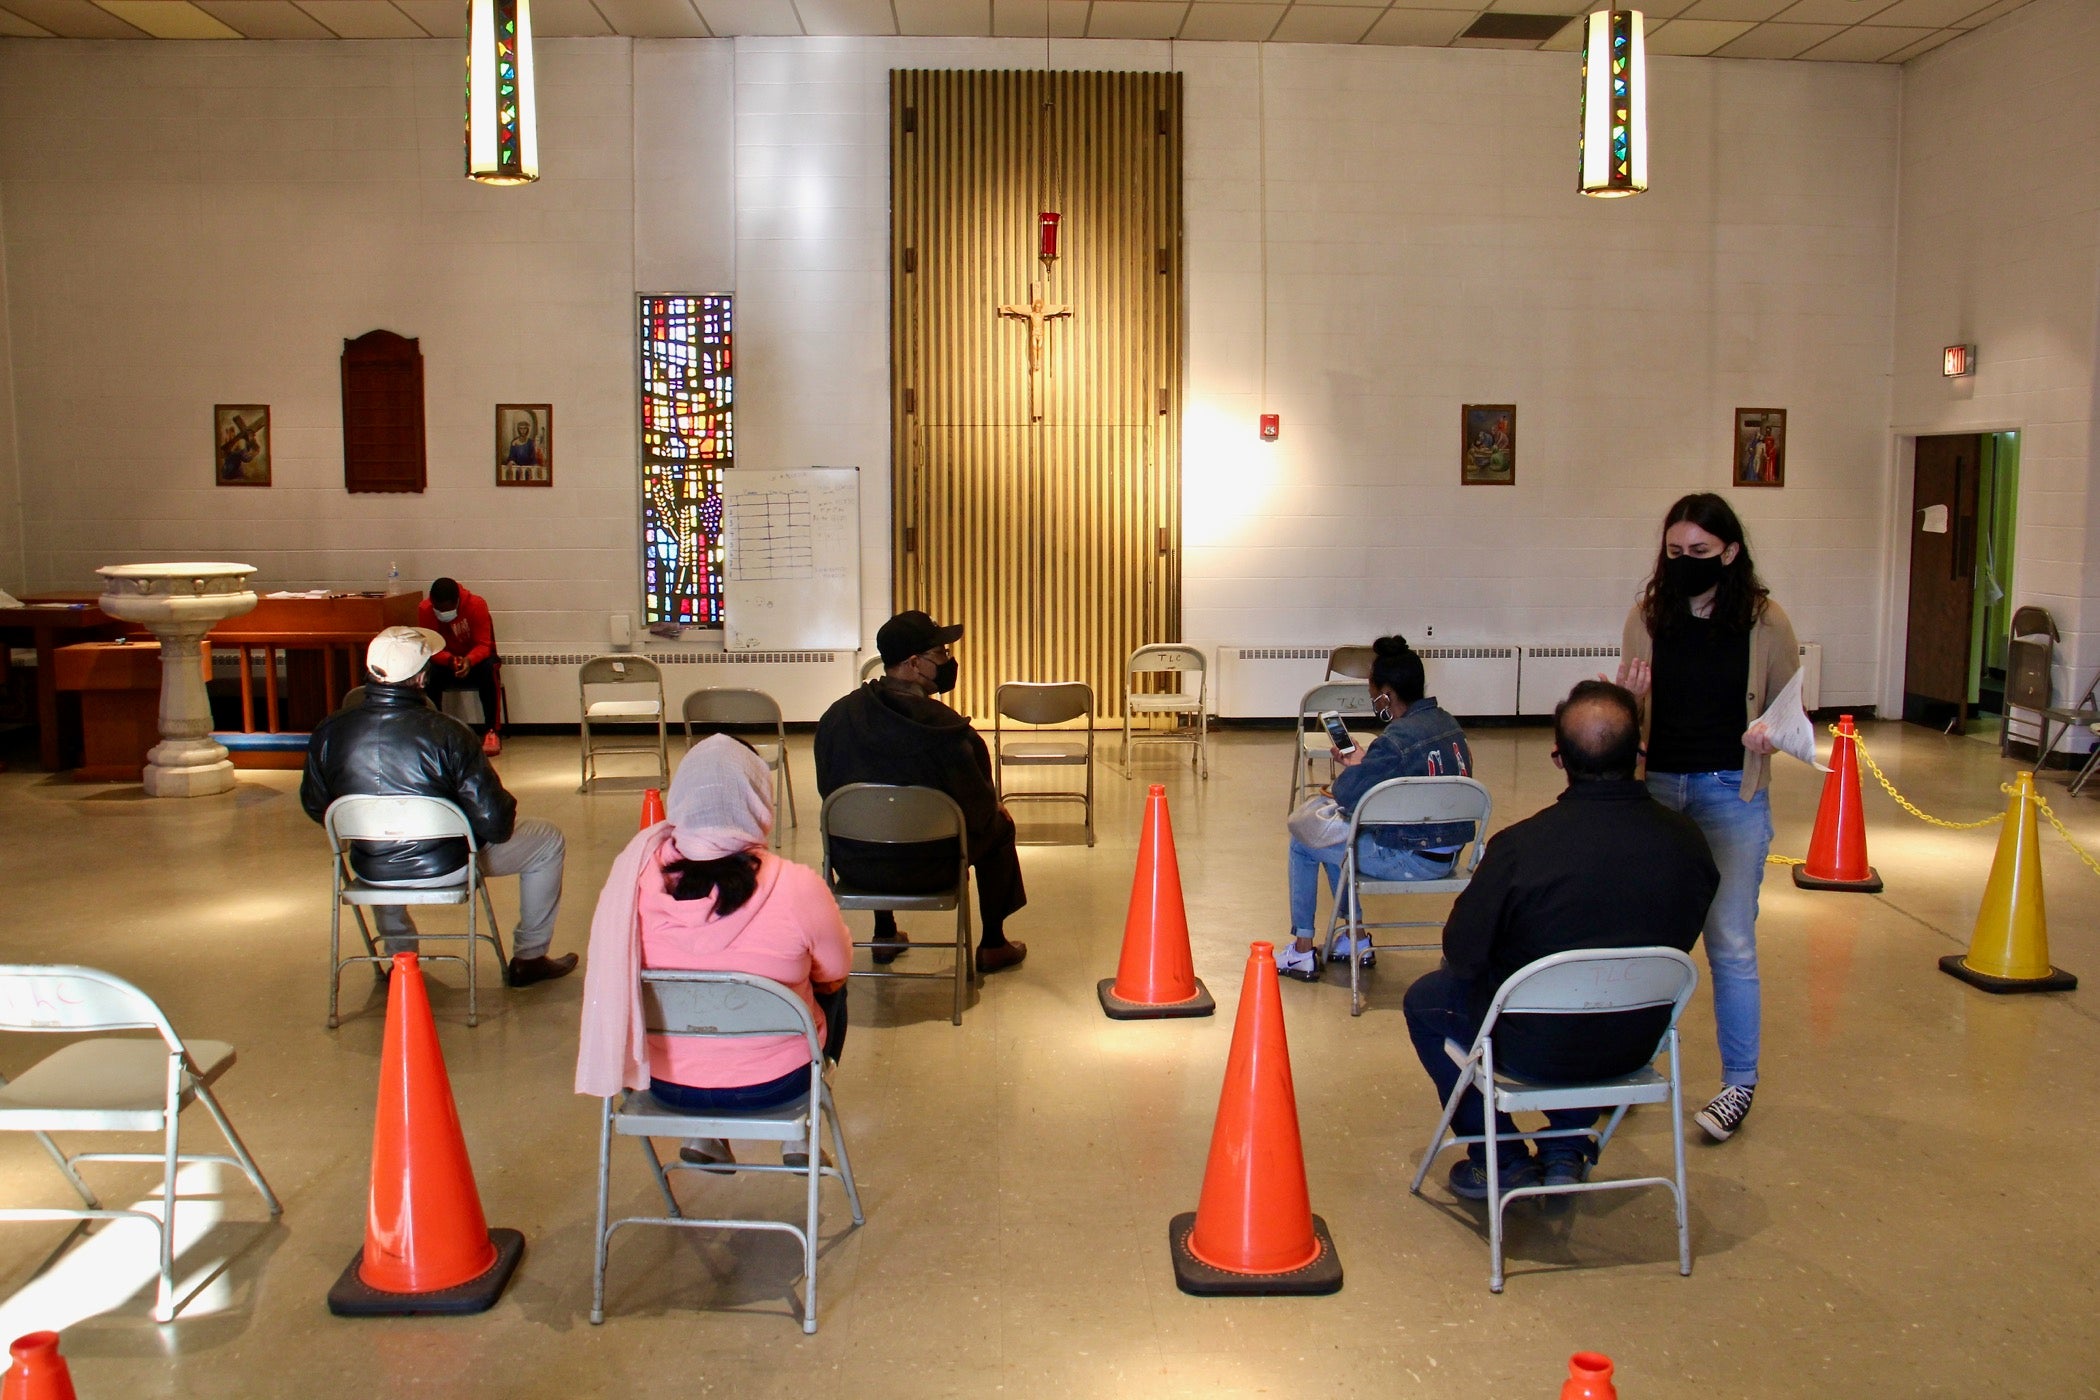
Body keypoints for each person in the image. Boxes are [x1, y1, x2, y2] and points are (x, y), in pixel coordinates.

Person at [1403, 681, 1718, 1199]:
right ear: (1640, 753)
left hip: (1530, 1047)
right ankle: (1566, 1146)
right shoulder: (1688, 843)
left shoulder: (1519, 850)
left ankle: (1501, 1157)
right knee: (1597, 1001)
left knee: (1426, 1002)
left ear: (1557, 758)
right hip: (1635, 1043)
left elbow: (1461, 954)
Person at [576, 735, 852, 1169]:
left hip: (665, 1085)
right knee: (831, 987)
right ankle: (799, 1138)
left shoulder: (634, 883)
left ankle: (703, 1135)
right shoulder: (797, 886)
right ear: (760, 800)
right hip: (778, 1084)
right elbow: (836, 970)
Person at [1618, 492, 1799, 1143]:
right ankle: (1630, 1059)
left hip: (1731, 792)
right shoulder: (1648, 615)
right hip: (1660, 788)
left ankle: (1738, 1083)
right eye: (1674, 553)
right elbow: (1624, 714)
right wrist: (1627, 704)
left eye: (1699, 552)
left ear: (1729, 551)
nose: (1685, 563)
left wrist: (1769, 735)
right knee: (1652, 938)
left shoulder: (1766, 622)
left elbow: (1792, 711)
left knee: (1729, 942)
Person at [302, 626, 575, 987]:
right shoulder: (449, 732)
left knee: (381, 843)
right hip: (446, 866)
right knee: (547, 840)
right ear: (421, 677)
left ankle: (400, 961)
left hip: (370, 867)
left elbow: (315, 807)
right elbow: (496, 824)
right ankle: (530, 957)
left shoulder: (328, 731)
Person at [813, 610, 1027, 975]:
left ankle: (884, 933)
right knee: (1000, 824)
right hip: (934, 869)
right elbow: (979, 815)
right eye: (941, 653)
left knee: (878, 816)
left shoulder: (837, 718)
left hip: (855, 864)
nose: (948, 661)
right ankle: (993, 943)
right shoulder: (952, 734)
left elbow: (828, 791)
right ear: (914, 663)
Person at [1277, 634, 1472, 981]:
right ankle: (1354, 936)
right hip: (1450, 854)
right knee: (1342, 842)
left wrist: (1356, 768)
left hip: (1411, 858)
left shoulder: (1395, 742)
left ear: (1386, 695)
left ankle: (1302, 951)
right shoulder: (1449, 725)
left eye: (1372, 694)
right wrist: (1370, 764)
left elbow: (1346, 794)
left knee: (1307, 840)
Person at [418, 577, 503, 756]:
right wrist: (450, 660)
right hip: (446, 661)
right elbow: (430, 647)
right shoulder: (425, 610)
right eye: (439, 609)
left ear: (457, 602)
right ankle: (434, 731)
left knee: (489, 670)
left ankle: (491, 731)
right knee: (428, 673)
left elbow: (484, 644)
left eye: (447, 609)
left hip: (476, 661)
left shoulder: (476, 605)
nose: (442, 613)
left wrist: (469, 661)